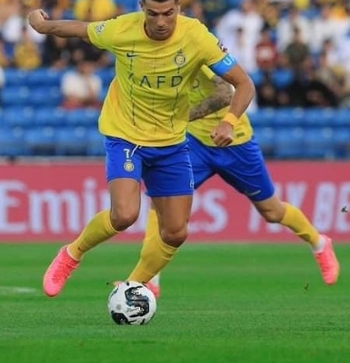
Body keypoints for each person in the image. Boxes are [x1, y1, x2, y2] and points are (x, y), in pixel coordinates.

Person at [25, 0, 256, 298]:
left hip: (172, 142)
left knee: (175, 232)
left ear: (179, 8)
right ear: (141, 9)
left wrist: (230, 121)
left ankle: (134, 285)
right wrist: (42, 25)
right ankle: (71, 254)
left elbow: (244, 83)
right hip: (126, 135)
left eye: (169, 13)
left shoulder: (198, 37)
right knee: (124, 215)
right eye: (153, 13)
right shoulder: (122, 29)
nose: (161, 21)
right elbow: (80, 28)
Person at [136, 66, 340, 299]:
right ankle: (150, 280)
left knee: (272, 212)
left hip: (235, 144)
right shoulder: (162, 55)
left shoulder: (200, 49)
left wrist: (180, 117)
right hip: (197, 143)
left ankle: (319, 243)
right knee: (161, 202)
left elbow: (225, 94)